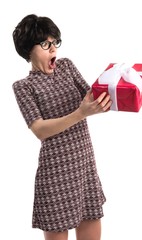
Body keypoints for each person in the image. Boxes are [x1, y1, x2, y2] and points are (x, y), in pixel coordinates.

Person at [12, 14, 112, 240]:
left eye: (54, 42)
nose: (52, 49)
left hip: (84, 164)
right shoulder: (24, 87)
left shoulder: (66, 67)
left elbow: (95, 98)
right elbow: (39, 130)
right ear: (28, 49)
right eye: (45, 44)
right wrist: (80, 113)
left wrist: (133, 93)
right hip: (55, 173)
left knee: (92, 226)